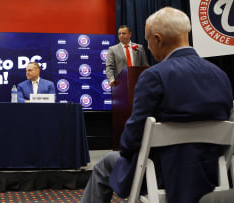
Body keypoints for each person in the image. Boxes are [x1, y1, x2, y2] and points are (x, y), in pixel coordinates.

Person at [81, 7, 233, 203]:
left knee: (105, 165)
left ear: (158, 39)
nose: (149, 46)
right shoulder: (220, 75)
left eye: (148, 40)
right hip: (213, 172)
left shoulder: (154, 76)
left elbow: (132, 137)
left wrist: (127, 152)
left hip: (161, 174)